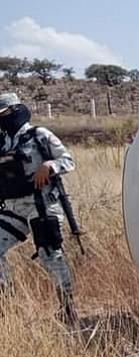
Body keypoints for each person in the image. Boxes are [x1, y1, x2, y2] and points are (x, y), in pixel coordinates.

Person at [0, 93, 76, 322]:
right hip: (13, 207)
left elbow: (68, 161)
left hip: (42, 204)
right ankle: (7, 303)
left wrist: (49, 166)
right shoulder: (3, 142)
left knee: (49, 254)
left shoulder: (39, 135)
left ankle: (67, 308)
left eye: (4, 113)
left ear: (15, 111)